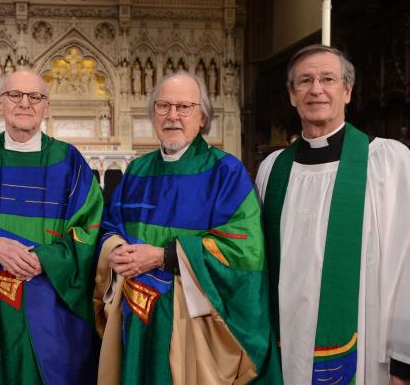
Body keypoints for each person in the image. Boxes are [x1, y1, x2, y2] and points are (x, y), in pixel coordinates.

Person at [256, 44, 410, 384]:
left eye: (328, 79)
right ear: (292, 95)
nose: (316, 89)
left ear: (347, 91)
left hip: (366, 346)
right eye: (305, 81)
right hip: (285, 346)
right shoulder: (272, 170)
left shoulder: (387, 162)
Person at [94, 71, 282, 384]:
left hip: (191, 324)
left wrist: (163, 256)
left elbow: (243, 248)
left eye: (184, 107)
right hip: (135, 316)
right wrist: (113, 250)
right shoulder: (138, 169)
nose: (172, 116)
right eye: (163, 106)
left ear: (203, 116)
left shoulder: (225, 171)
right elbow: (111, 225)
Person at [0, 69, 103, 384]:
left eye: (35, 97)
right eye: (15, 95)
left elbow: (89, 226)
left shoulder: (68, 161)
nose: (25, 103)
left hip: (49, 300)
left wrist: (48, 259)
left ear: (46, 107)